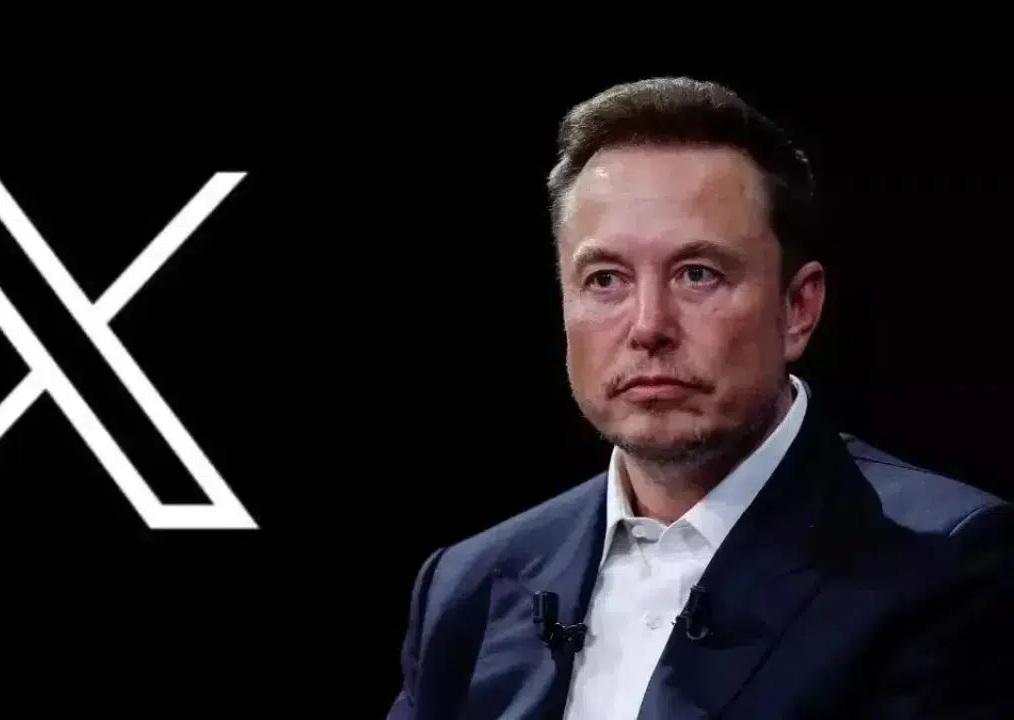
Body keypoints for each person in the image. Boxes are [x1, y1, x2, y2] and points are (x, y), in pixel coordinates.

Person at [386, 78, 1013, 719]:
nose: (648, 326)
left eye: (697, 274)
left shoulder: (944, 562)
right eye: (605, 279)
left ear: (798, 308)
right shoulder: (469, 588)